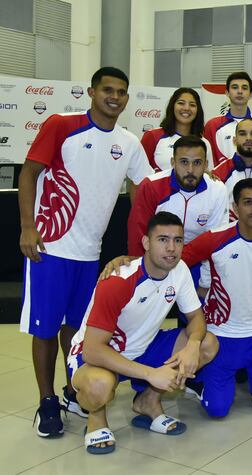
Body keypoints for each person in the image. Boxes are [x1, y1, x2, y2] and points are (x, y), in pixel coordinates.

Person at [19, 66, 153, 437]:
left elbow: (145, 190)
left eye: (122, 91)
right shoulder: (62, 125)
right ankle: (46, 402)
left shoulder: (128, 142)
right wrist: (28, 228)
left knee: (76, 331)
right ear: (91, 92)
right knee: (45, 329)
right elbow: (28, 174)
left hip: (89, 253)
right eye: (107, 89)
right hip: (50, 246)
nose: (115, 97)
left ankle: (70, 391)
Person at [67, 212, 218, 454]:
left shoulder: (179, 271)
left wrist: (193, 345)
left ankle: (148, 401)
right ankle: (96, 417)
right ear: (146, 243)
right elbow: (93, 350)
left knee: (207, 344)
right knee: (99, 386)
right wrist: (151, 374)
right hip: (99, 354)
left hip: (144, 346)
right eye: (162, 240)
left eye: (178, 240)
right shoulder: (118, 281)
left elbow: (196, 318)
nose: (171, 248)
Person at [180, 179, 252, 417]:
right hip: (221, 337)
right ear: (235, 207)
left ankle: (248, 376)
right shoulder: (214, 239)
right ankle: (202, 382)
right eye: (248, 202)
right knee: (218, 410)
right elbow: (173, 262)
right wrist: (129, 261)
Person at [127, 136, 229, 258]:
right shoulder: (151, 186)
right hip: (157, 259)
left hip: (198, 260)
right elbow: (138, 237)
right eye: (184, 162)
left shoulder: (217, 190)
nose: (190, 170)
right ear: (173, 162)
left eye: (197, 162)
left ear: (206, 165)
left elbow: (214, 241)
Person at [203, 71, 252, 165]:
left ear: (250, 94)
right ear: (227, 93)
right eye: (235, 87)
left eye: (244, 88)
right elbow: (208, 162)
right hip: (222, 179)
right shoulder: (212, 125)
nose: (240, 91)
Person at [141, 87, 214, 171]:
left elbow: (208, 176)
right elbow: (137, 177)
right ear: (172, 106)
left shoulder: (204, 143)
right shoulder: (152, 136)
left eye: (192, 105)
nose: (187, 108)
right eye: (181, 103)